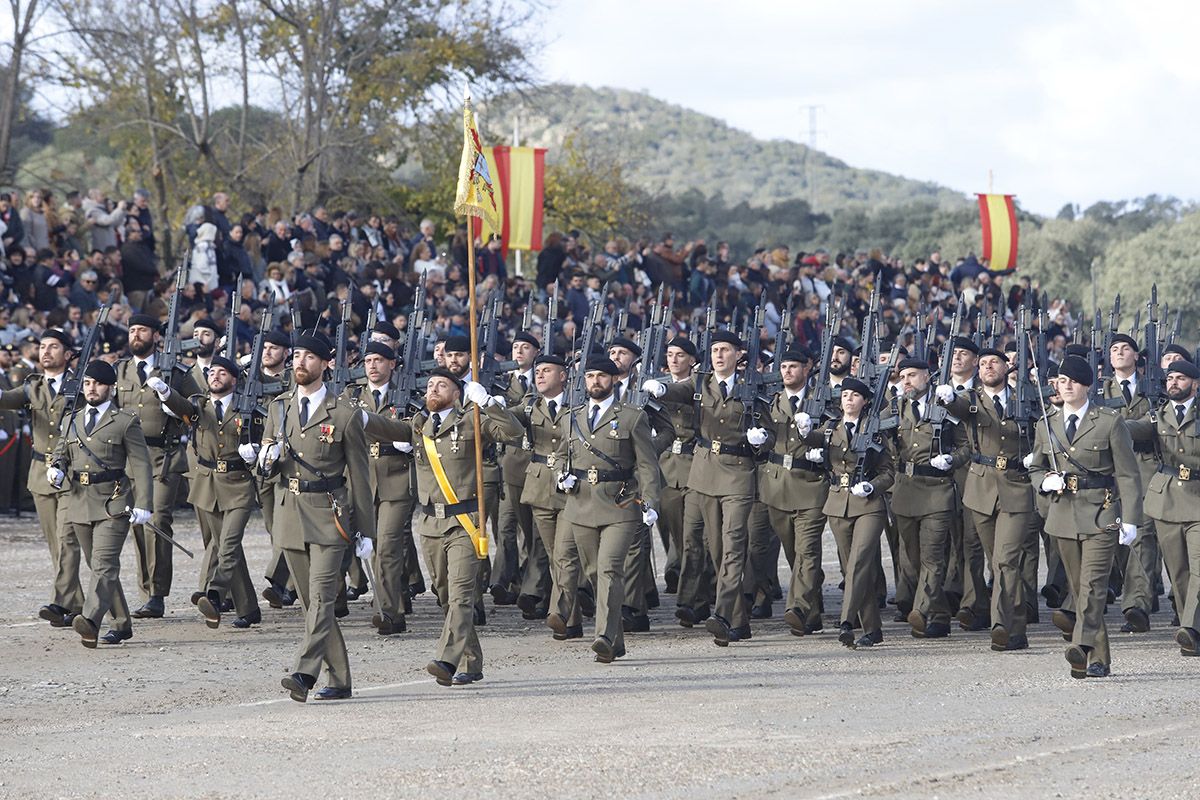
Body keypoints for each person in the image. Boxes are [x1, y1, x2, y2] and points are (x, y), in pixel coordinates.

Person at [364, 368, 522, 685]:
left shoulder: (472, 421)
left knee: (463, 597)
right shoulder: (419, 425)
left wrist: (489, 402)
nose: (434, 389)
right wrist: (361, 418)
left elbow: (513, 433)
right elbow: (387, 427)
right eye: (430, 385)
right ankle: (472, 662)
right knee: (447, 597)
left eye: (442, 385)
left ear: (456, 394)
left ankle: (447, 661)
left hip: (465, 522)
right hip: (430, 523)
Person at [257, 331, 376, 701]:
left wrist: (365, 532)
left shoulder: (344, 414)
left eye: (310, 357)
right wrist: (264, 462)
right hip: (290, 514)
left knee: (323, 599)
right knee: (312, 605)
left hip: (330, 516)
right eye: (297, 356)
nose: (299, 363)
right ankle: (340, 679)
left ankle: (304, 673)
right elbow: (267, 463)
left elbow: (360, 476)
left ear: (326, 364)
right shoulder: (279, 408)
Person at [643, 330, 774, 646]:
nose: (718, 355)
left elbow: (770, 433)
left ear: (738, 355)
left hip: (739, 473)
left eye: (725, 349)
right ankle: (739, 622)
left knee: (732, 545)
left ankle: (724, 615)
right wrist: (659, 388)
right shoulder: (700, 382)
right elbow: (677, 390)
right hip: (703, 474)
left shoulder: (751, 389)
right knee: (715, 548)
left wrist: (762, 439)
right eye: (715, 349)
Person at [1027, 355, 1142, 678]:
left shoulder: (1108, 421)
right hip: (1063, 514)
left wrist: (1130, 518)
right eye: (1062, 381)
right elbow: (1036, 466)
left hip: (1101, 514)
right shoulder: (1046, 423)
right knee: (1080, 590)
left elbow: (1128, 474)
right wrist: (1044, 481)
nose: (1066, 387)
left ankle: (1080, 645)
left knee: (1092, 586)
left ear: (1087, 386)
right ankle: (1098, 658)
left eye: (1073, 381)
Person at [560, 356, 660, 662]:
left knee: (609, 569)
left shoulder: (631, 417)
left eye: (601, 376)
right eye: (589, 376)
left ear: (614, 379)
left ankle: (602, 635)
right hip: (580, 505)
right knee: (593, 573)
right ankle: (615, 641)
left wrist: (651, 502)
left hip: (620, 504)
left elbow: (647, 464)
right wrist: (560, 478)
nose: (595, 382)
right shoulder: (571, 417)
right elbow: (562, 456)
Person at [48, 359, 153, 648]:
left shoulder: (125, 421)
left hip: (113, 502)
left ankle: (90, 619)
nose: (91, 388)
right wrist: (55, 468)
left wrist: (144, 503)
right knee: (100, 567)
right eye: (88, 383)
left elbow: (141, 465)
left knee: (104, 564)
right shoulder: (73, 419)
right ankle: (121, 623)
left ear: (111, 387)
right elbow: (61, 453)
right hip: (80, 501)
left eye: (98, 383)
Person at [156, 356, 261, 628]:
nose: (215, 376)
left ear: (234, 380)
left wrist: (256, 453)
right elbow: (182, 408)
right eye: (212, 372)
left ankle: (213, 593)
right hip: (207, 484)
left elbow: (265, 437)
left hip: (238, 484)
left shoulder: (247, 409)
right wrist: (166, 393)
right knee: (228, 547)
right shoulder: (200, 405)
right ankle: (248, 609)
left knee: (227, 544)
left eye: (222, 373)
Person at [115, 314, 201, 619]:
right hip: (129, 462)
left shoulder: (176, 372)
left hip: (164, 458)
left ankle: (157, 594)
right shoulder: (121, 370)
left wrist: (169, 397)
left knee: (159, 521)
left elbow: (195, 411)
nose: (136, 334)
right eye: (133, 330)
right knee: (139, 525)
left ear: (156, 335)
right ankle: (146, 589)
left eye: (143, 330)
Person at [0, 330, 84, 625]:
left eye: (53, 347)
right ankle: (78, 604)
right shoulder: (32, 386)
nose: (46, 351)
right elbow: (5, 400)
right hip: (40, 474)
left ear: (68, 353)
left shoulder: (82, 384)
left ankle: (60, 603)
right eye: (42, 347)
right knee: (55, 544)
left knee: (66, 540)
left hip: (71, 473)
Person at [809, 378, 895, 649]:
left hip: (868, 504)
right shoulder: (830, 429)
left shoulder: (876, 431)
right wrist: (803, 433)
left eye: (855, 395)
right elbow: (813, 441)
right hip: (838, 502)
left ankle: (847, 622)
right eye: (845, 395)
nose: (849, 399)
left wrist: (873, 485)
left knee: (858, 562)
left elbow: (889, 472)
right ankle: (872, 628)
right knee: (852, 568)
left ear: (865, 401)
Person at [1124, 360, 1200, 659]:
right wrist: (1107, 421)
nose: (1174, 383)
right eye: (1170, 378)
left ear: (1195, 383)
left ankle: (1191, 627)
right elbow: (1132, 429)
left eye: (1181, 378)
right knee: (1178, 571)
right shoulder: (1158, 415)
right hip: (1165, 499)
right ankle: (1190, 629)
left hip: (1198, 498)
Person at [758, 346, 829, 636]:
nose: (787, 371)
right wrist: (757, 440)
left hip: (810, 483)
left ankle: (797, 608)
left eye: (793, 366)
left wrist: (818, 441)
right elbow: (761, 436)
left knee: (807, 551)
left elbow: (836, 432)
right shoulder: (771, 402)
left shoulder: (821, 400)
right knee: (792, 553)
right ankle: (812, 609)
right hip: (777, 484)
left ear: (806, 369)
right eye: (784, 367)